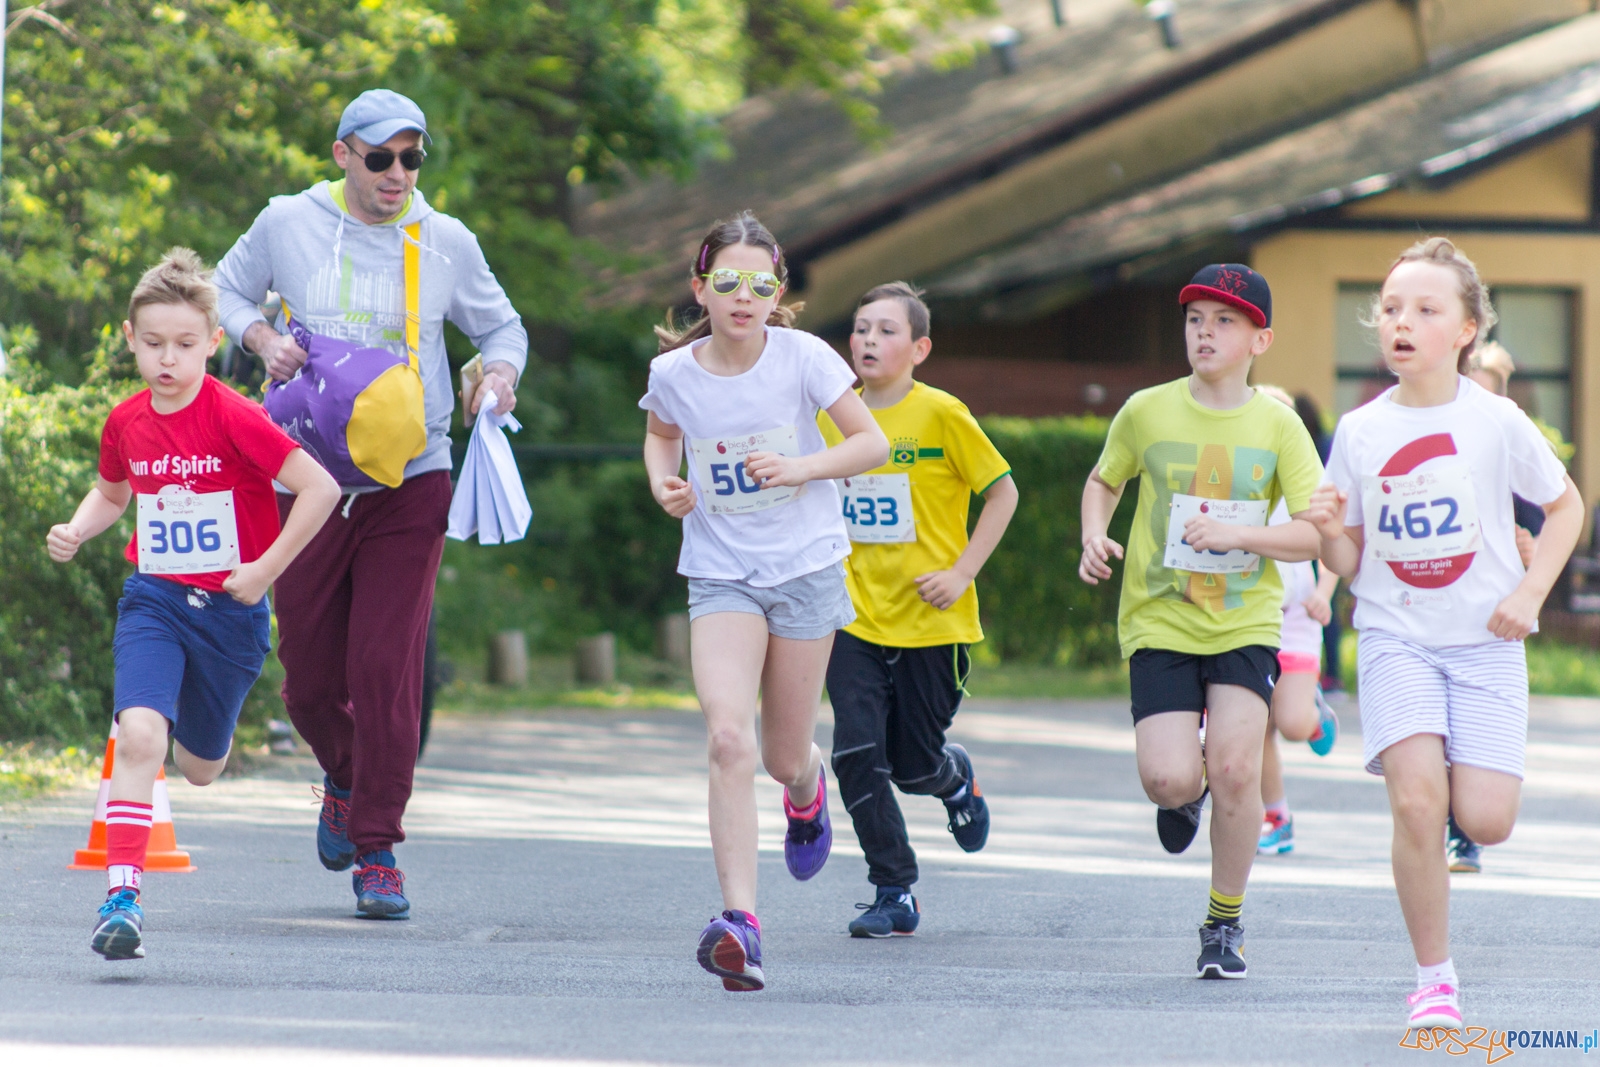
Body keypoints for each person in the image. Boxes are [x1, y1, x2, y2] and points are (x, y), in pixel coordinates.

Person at [214, 89, 528, 919]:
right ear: (342, 154)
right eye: (381, 156)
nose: (399, 173)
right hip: (308, 480)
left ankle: (378, 847)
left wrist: (496, 377)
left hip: (411, 477)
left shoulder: (446, 240)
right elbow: (223, 292)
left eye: (412, 156)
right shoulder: (287, 221)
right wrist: (262, 340)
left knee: (386, 668)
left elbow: (504, 331)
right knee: (309, 677)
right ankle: (345, 778)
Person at [1309, 238, 1581, 1031]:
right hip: (1398, 637)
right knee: (1418, 804)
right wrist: (1328, 536)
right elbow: (1352, 556)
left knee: (1486, 818)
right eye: (1391, 308)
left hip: (1488, 640)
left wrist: (1531, 592)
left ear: (1465, 329)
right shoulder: (1359, 432)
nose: (1402, 322)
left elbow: (1566, 508)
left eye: (1426, 309)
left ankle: (1461, 782)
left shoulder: (1496, 419)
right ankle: (1434, 978)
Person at [47, 249, 340, 960]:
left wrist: (263, 570)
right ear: (130, 339)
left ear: (213, 341)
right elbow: (114, 492)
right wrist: (81, 527)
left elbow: (321, 489)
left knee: (199, 765)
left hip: (233, 614)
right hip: (154, 599)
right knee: (140, 735)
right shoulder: (126, 421)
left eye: (184, 345)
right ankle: (122, 896)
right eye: (153, 345)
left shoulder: (234, 416)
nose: (167, 361)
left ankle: (211, 729)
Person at [639, 212, 889, 990]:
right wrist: (664, 483)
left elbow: (870, 444)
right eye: (726, 283)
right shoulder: (675, 372)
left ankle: (808, 793)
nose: (742, 298)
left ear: (777, 292)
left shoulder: (804, 358)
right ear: (700, 289)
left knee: (783, 755)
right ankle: (740, 921)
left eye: (759, 284)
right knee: (726, 737)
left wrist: (801, 467)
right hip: (721, 572)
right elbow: (660, 437)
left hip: (807, 568)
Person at [1078, 264, 1323, 980]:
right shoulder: (1146, 410)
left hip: (1245, 619)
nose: (1205, 332)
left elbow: (1312, 533)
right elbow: (1104, 479)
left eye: (1224, 320)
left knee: (1240, 767)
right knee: (1167, 778)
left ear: (1260, 338)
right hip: (1160, 618)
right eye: (1195, 319)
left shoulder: (1280, 425)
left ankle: (1224, 920)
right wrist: (1095, 532)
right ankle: (1189, 795)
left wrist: (1242, 537)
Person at [818, 282, 1019, 937]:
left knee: (911, 766)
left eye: (885, 330)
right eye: (860, 328)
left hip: (934, 622)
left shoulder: (942, 415)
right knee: (854, 750)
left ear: (920, 347)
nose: (868, 340)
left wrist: (962, 571)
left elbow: (1003, 493)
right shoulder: (831, 416)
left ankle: (953, 777)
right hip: (852, 615)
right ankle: (893, 886)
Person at [1251, 386, 1340, 857]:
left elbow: (1332, 547)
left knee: (1289, 722)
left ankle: (1312, 713)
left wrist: (1324, 594)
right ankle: (1276, 816)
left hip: (1298, 617)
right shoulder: (1240, 482)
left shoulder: (1308, 485)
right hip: (1250, 620)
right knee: (1258, 725)